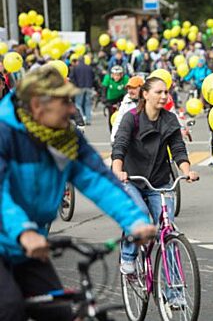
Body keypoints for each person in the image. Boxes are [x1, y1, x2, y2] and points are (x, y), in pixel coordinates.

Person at [0, 66, 156, 321]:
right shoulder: (5, 132)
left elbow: (99, 181)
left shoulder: (64, 137)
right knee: (9, 309)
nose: (73, 109)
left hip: (26, 246)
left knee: (59, 312)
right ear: (38, 106)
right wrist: (24, 231)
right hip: (19, 236)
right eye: (65, 102)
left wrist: (134, 221)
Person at [112, 77, 198, 275]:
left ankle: (175, 294)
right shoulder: (131, 118)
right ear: (145, 94)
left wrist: (187, 172)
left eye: (166, 92)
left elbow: (178, 149)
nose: (163, 96)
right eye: (158, 92)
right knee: (140, 214)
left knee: (168, 230)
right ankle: (128, 256)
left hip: (159, 182)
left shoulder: (169, 119)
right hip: (132, 179)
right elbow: (120, 145)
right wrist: (118, 170)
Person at [110, 75, 144, 143]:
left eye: (133, 88)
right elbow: (118, 121)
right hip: (130, 139)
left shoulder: (150, 99)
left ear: (141, 88)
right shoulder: (126, 99)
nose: (130, 91)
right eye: (129, 88)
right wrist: (114, 139)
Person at [70, 56, 95, 125]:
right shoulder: (89, 67)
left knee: (78, 103)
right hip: (88, 87)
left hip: (79, 87)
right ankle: (88, 120)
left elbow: (72, 78)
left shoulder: (75, 68)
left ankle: (82, 118)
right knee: (88, 104)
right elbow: (93, 76)